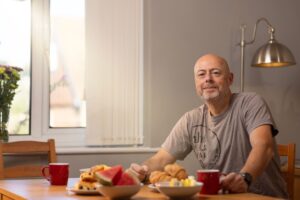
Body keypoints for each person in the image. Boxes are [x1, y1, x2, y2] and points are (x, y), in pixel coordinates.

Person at [130, 53, 288, 198]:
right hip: (221, 197)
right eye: (201, 74)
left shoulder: (250, 103)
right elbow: (162, 158)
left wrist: (244, 178)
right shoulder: (191, 119)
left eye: (216, 73)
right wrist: (142, 171)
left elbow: (264, 146)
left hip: (262, 196)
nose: (208, 79)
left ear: (230, 79)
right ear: (196, 83)